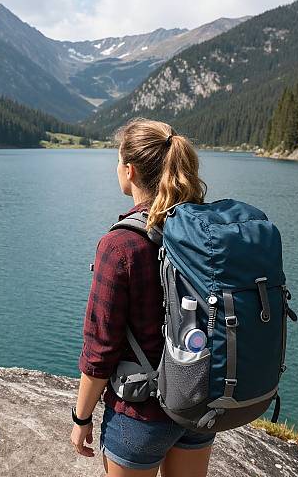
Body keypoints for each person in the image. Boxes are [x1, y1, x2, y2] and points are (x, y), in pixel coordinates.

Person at [70, 117, 214, 477]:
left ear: (130, 170)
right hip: (199, 403)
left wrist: (81, 417)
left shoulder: (119, 246)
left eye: (118, 161)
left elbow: (100, 349)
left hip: (141, 415)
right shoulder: (202, 232)